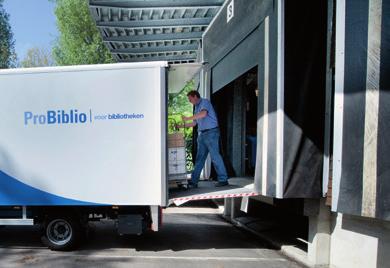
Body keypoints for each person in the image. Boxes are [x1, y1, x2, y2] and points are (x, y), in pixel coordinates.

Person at [177, 90, 229, 188]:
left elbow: (203, 114)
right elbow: (194, 123)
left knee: (215, 157)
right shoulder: (196, 108)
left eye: (190, 99)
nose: (189, 101)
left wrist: (187, 118)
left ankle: (223, 179)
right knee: (199, 159)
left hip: (211, 133)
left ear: (195, 96)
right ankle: (193, 181)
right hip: (202, 134)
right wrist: (180, 125)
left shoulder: (205, 102)